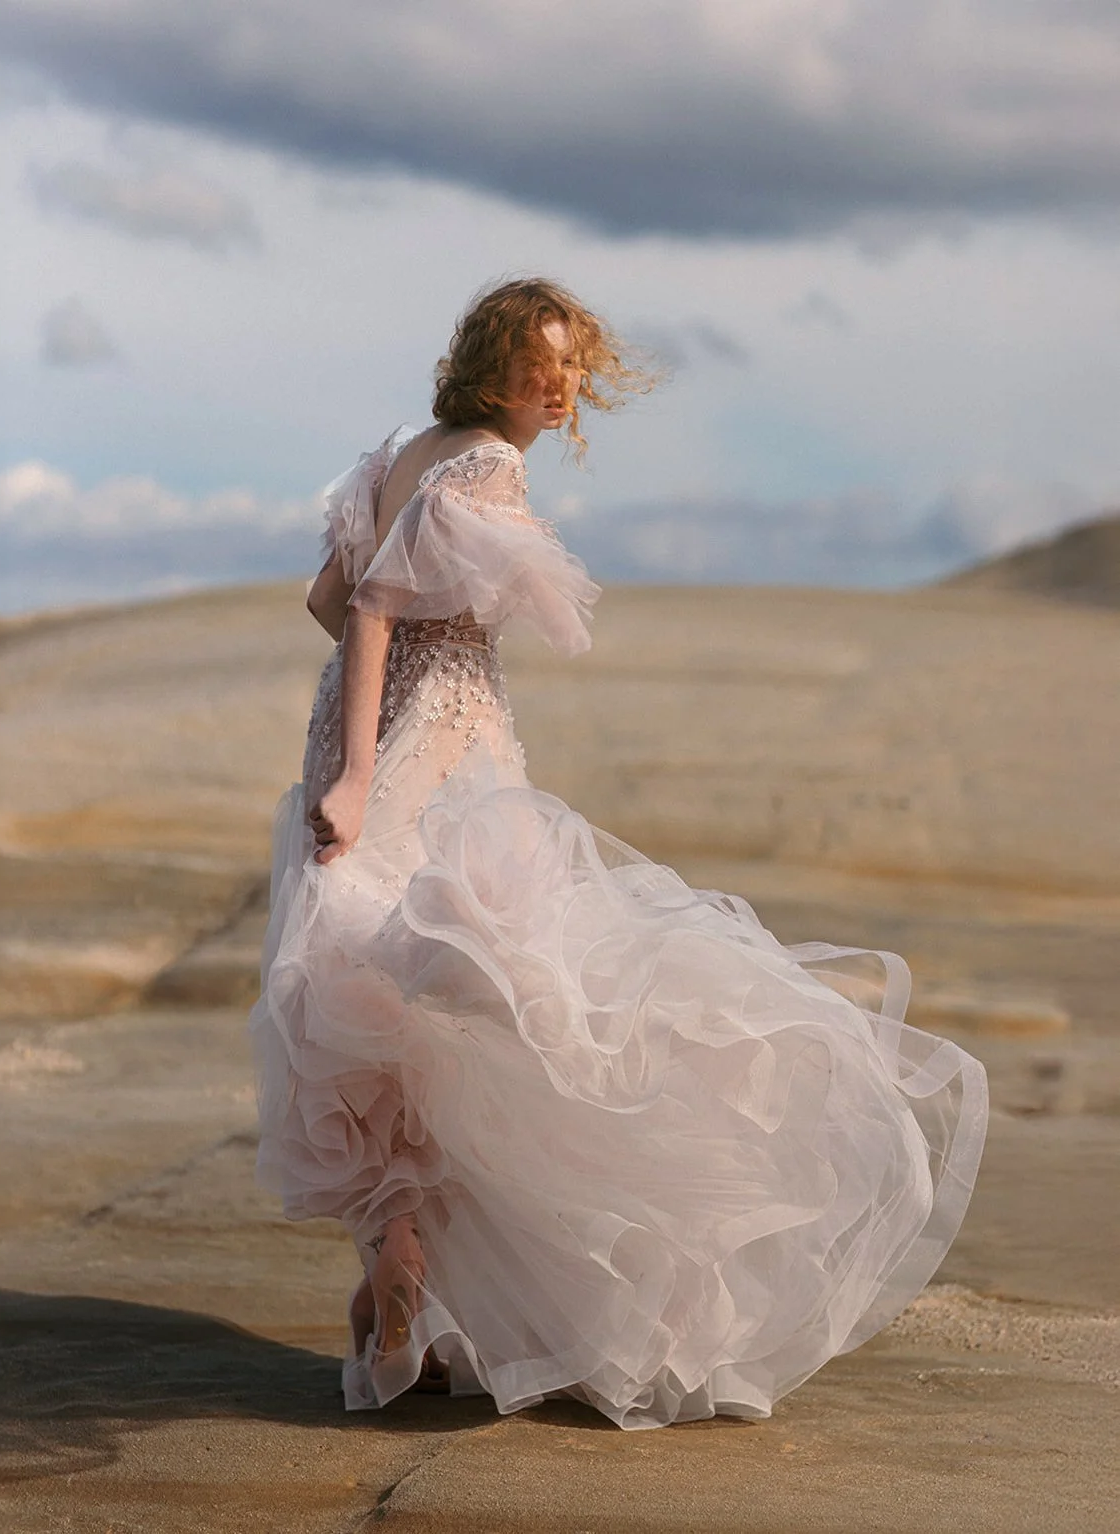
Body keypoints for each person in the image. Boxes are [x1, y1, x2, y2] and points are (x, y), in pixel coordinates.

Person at [249, 277, 988, 1431]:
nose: (560, 389)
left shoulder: (399, 448)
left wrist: (350, 745)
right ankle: (443, 1286)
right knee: (513, 1007)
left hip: (367, 726)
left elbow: (326, 600)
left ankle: (397, 1267)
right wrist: (366, 766)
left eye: (571, 370)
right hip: (439, 755)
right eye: (541, 368)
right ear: (493, 367)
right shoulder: (486, 462)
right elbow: (380, 601)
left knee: (381, 1000)